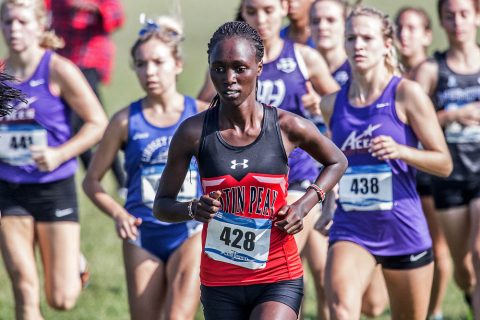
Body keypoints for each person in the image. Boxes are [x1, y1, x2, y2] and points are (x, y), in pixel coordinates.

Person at [154, 20, 347, 320]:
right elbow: (161, 206)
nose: (229, 78)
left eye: (239, 68)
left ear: (259, 66)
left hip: (277, 274)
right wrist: (193, 208)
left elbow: (337, 161)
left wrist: (304, 205)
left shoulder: (286, 126)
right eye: (218, 68)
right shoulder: (193, 132)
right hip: (220, 280)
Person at [320, 6, 452, 319]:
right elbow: (334, 164)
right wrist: (327, 204)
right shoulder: (331, 104)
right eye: (351, 37)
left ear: (387, 45)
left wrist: (401, 151)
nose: (358, 45)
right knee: (340, 308)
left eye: (367, 37)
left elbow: (443, 163)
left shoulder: (407, 94)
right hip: (351, 227)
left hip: (403, 229)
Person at [83, 15, 206, 320]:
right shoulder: (125, 121)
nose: (149, 71)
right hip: (142, 234)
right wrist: (119, 214)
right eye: (140, 64)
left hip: (189, 229)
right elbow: (92, 181)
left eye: (158, 62)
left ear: (177, 64)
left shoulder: (201, 116)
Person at [0, 0, 108, 319]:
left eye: (22, 22)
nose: (14, 30)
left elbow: (98, 122)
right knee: (24, 287)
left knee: (61, 299)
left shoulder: (58, 69)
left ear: (40, 24)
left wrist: (58, 153)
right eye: (8, 23)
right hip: (9, 189)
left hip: (53, 187)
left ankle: (75, 262)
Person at [240, 1, 341, 319]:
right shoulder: (234, 58)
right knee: (308, 273)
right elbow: (202, 104)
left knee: (279, 269)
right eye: (252, 11)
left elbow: (344, 111)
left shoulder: (303, 56)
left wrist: (319, 105)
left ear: (284, 9)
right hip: (249, 183)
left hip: (299, 179)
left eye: (269, 10)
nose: (261, 19)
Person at [310, 1, 389, 318]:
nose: (323, 27)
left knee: (374, 305)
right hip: (312, 180)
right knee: (327, 282)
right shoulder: (301, 63)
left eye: (331, 20)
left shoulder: (362, 68)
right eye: (316, 20)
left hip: (370, 188)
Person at [414, 0, 480, 316]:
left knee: (479, 252)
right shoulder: (431, 70)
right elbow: (410, 120)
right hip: (449, 178)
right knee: (464, 269)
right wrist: (453, 115)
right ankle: (469, 293)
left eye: (464, 14)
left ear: (477, 17)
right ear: (441, 21)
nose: (458, 23)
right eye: (450, 16)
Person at [395, 7, 452, 320]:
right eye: (399, 27)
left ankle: (435, 311)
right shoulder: (391, 71)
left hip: (427, 171)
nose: (404, 34)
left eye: (412, 28)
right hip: (400, 172)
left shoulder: (429, 70)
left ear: (427, 35)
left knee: (434, 245)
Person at [48, 0, 127, 193]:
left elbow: (117, 16)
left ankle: (107, 180)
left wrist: (92, 8)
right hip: (63, 62)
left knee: (86, 122)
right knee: (86, 124)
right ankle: (110, 180)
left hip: (89, 60)